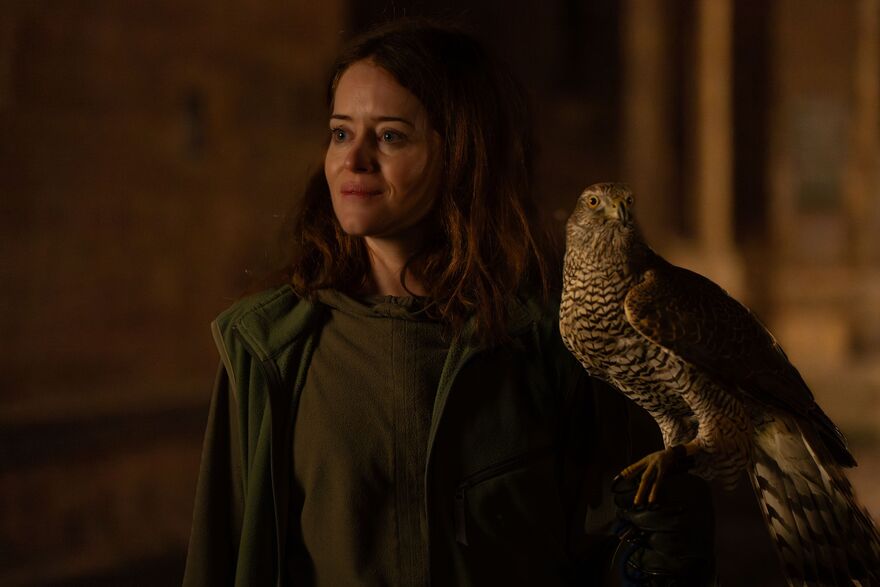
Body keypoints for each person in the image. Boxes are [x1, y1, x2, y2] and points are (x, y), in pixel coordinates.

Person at [182, 18, 715, 586]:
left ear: (460, 153)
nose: (353, 160)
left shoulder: (552, 341)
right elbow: (222, 558)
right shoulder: (270, 352)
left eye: (390, 135)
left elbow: (628, 548)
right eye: (341, 133)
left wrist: (663, 548)